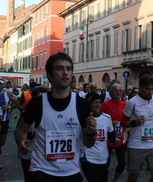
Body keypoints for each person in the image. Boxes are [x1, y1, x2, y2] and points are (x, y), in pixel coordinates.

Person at [14, 52, 96, 181]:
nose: (65, 73)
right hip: (41, 172)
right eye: (60, 68)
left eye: (68, 69)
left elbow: (88, 143)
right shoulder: (37, 103)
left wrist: (91, 133)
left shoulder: (82, 104)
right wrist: (21, 142)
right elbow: (21, 130)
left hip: (71, 173)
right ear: (50, 75)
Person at [121, 74, 153, 182]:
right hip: (137, 146)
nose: (150, 92)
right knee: (133, 177)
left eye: (152, 89)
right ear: (140, 87)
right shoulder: (132, 102)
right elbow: (123, 122)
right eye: (147, 89)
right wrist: (135, 123)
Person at [81, 92, 119, 182]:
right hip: (88, 158)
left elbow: (111, 133)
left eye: (99, 102)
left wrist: (115, 139)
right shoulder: (84, 119)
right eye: (95, 102)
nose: (98, 104)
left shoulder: (107, 118)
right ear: (89, 104)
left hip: (103, 158)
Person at [17, 86, 48, 182]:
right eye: (39, 98)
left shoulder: (51, 114)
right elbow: (19, 131)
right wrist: (22, 142)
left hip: (46, 156)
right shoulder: (27, 114)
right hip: (29, 154)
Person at [0, 76, 19, 173]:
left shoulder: (7, 93)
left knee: (1, 142)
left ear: (3, 84)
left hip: (4, 120)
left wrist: (9, 107)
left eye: (0, 83)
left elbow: (17, 103)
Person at [101, 84, 127, 182]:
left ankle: (115, 179)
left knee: (122, 162)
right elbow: (101, 119)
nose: (118, 92)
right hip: (108, 138)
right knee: (106, 163)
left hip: (120, 137)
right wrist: (110, 123)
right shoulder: (105, 104)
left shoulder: (124, 104)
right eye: (115, 90)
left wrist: (127, 126)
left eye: (120, 90)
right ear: (111, 92)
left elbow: (127, 119)